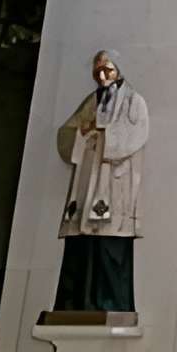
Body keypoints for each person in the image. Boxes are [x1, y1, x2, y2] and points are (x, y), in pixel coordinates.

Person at [53, 50, 149, 314]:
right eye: (98, 72)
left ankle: (108, 303)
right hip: (89, 178)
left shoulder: (133, 100)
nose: (103, 76)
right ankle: (75, 304)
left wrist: (104, 132)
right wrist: (83, 132)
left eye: (108, 69)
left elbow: (136, 133)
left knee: (110, 244)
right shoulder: (91, 101)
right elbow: (68, 132)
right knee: (81, 246)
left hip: (112, 180)